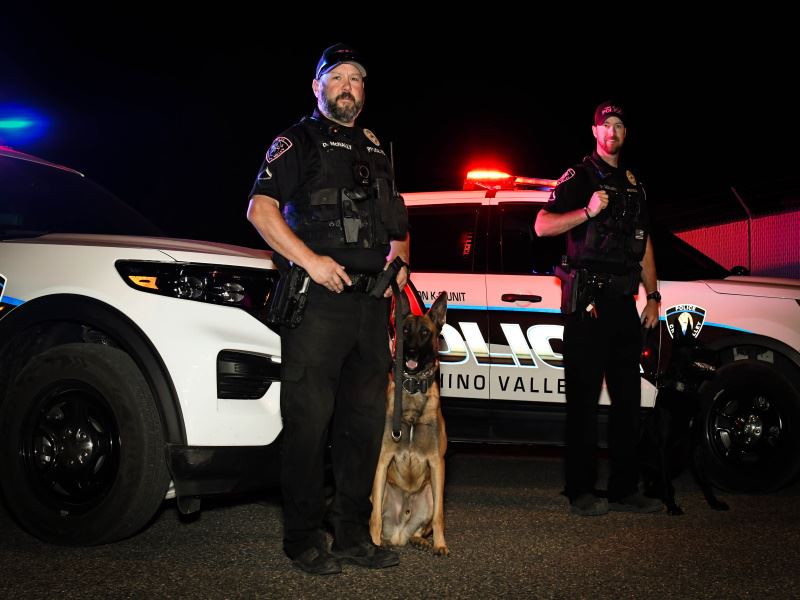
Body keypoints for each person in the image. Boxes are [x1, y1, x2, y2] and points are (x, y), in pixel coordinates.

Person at [247, 43, 410, 574]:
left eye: (356, 79)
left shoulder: (375, 146)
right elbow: (260, 210)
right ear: (316, 87)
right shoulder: (296, 141)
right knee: (309, 425)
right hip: (317, 304)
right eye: (336, 76)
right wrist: (311, 261)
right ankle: (302, 539)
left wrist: (399, 269)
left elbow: (397, 227)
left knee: (361, 429)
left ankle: (351, 537)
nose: (347, 85)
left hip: (369, 307)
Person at [534, 101, 663, 517]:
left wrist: (653, 296)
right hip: (586, 304)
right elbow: (541, 224)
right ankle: (581, 491)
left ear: (625, 134)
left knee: (628, 403)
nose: (612, 131)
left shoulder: (634, 184)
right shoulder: (578, 177)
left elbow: (643, 245)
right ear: (594, 131)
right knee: (584, 404)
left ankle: (626, 489)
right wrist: (586, 211)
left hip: (625, 306)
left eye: (619, 125)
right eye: (605, 124)